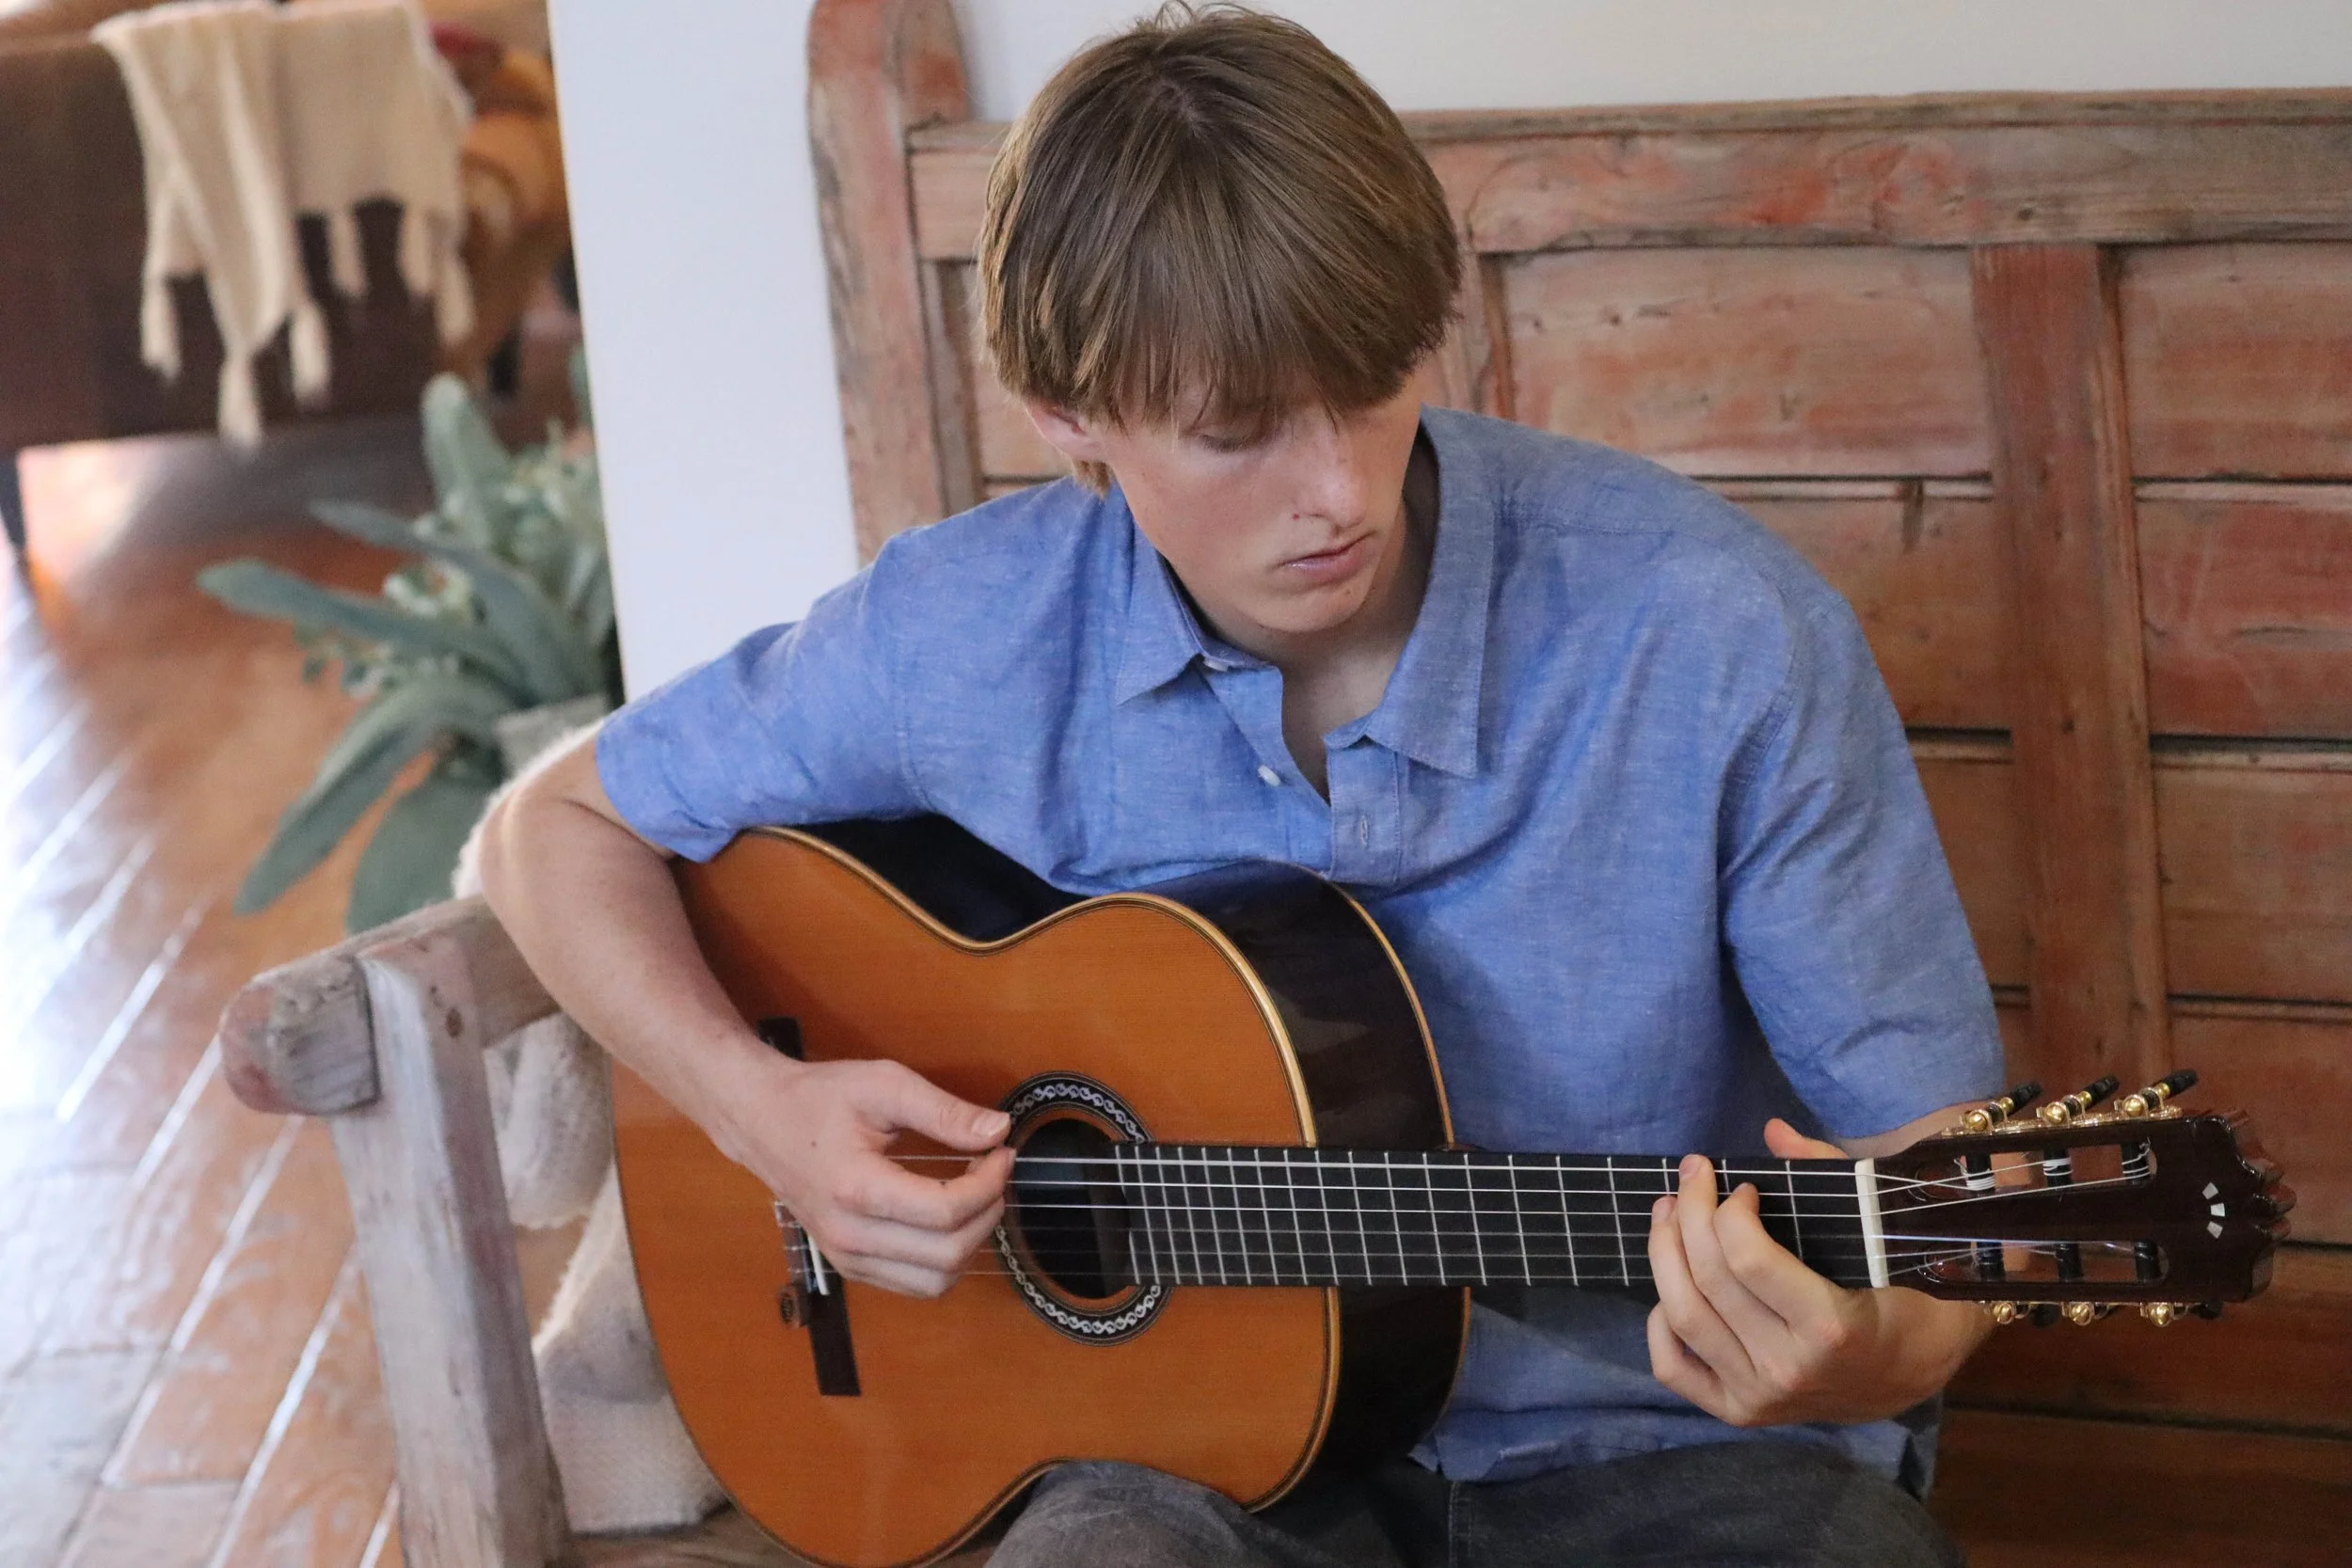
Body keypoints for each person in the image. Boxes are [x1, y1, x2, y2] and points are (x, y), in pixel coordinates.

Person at [478, 7, 2003, 1564]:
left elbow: (1950, 1176)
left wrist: (1878, 1346)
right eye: (1236, 433)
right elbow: (557, 825)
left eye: (1372, 382)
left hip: (1667, 1457)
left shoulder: (1718, 634)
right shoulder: (965, 633)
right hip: (1170, 1469)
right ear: (1070, 417)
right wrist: (764, 1116)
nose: (1338, 492)